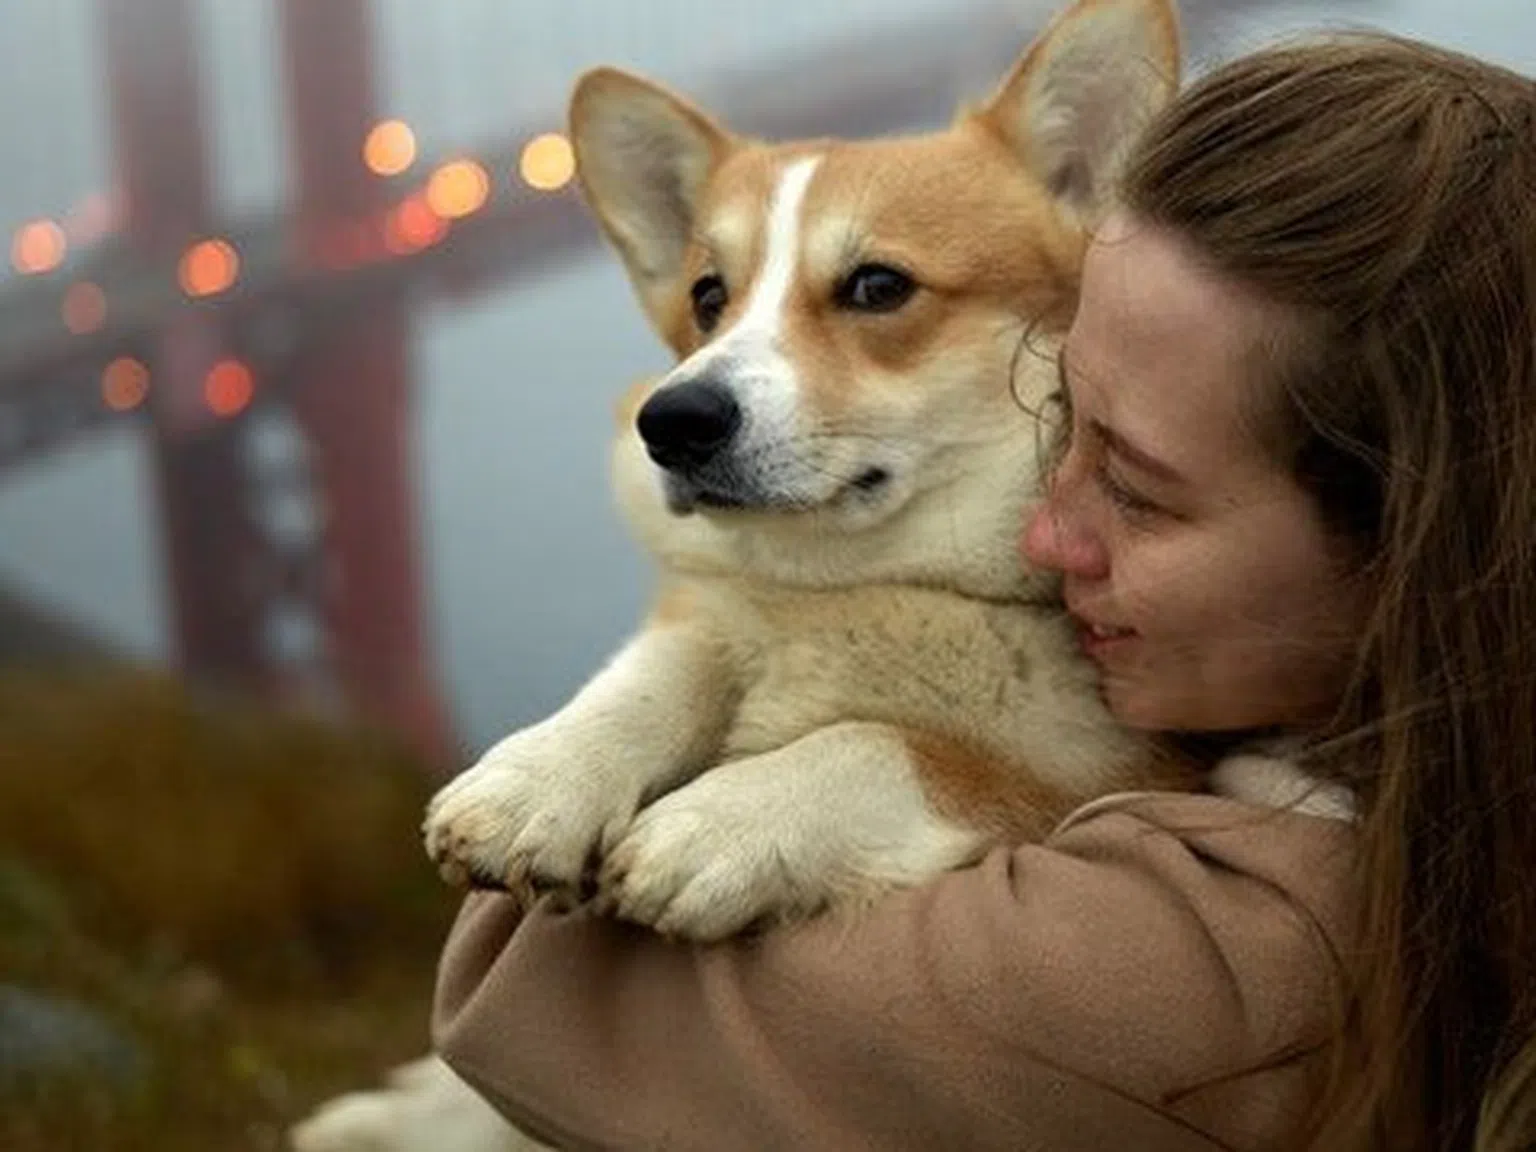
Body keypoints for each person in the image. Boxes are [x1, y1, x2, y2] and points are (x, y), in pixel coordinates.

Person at [431, 32, 1536, 1152]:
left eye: (1143, 493)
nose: (1044, 537)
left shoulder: (1237, 947)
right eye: (1055, 421)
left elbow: (515, 988)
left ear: (1412, 543)